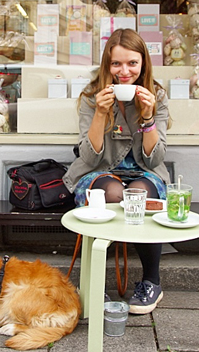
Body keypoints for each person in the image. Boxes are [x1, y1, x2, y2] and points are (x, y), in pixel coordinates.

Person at [63, 28, 171, 314]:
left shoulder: (156, 95)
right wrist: (100, 113)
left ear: (143, 63)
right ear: (107, 65)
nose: (124, 71)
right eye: (116, 64)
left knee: (137, 195)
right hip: (99, 170)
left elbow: (156, 157)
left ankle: (152, 281)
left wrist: (148, 116)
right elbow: (88, 155)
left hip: (143, 172)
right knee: (112, 192)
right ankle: (94, 283)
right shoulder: (91, 97)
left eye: (132, 63)